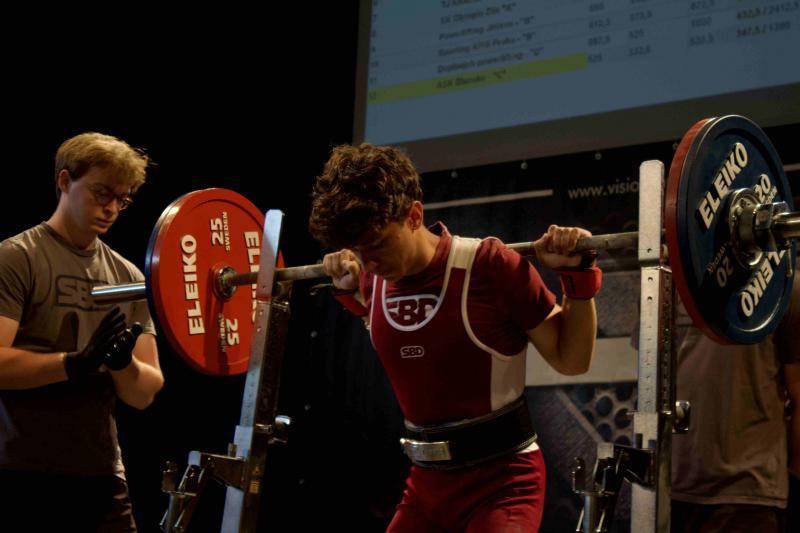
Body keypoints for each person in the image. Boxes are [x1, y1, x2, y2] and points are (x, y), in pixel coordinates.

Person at [309, 143, 600, 532]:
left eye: (377, 244)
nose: (370, 262)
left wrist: (577, 275)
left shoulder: (490, 266)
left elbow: (572, 359)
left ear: (414, 215)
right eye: (358, 252)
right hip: (426, 487)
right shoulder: (369, 279)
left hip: (503, 485)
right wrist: (351, 290)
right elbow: (407, 332)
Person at [0, 132, 164, 532]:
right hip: (18, 474)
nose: (111, 208)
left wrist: (122, 364)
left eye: (122, 199)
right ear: (64, 181)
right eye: (101, 193)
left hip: (99, 477)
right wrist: (73, 364)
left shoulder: (129, 277)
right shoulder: (17, 258)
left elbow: (143, 393)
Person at [665, 273, 800, 533]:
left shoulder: (784, 283)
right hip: (669, 490)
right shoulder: (664, 282)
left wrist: (793, 483)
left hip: (749, 494)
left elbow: (798, 396)